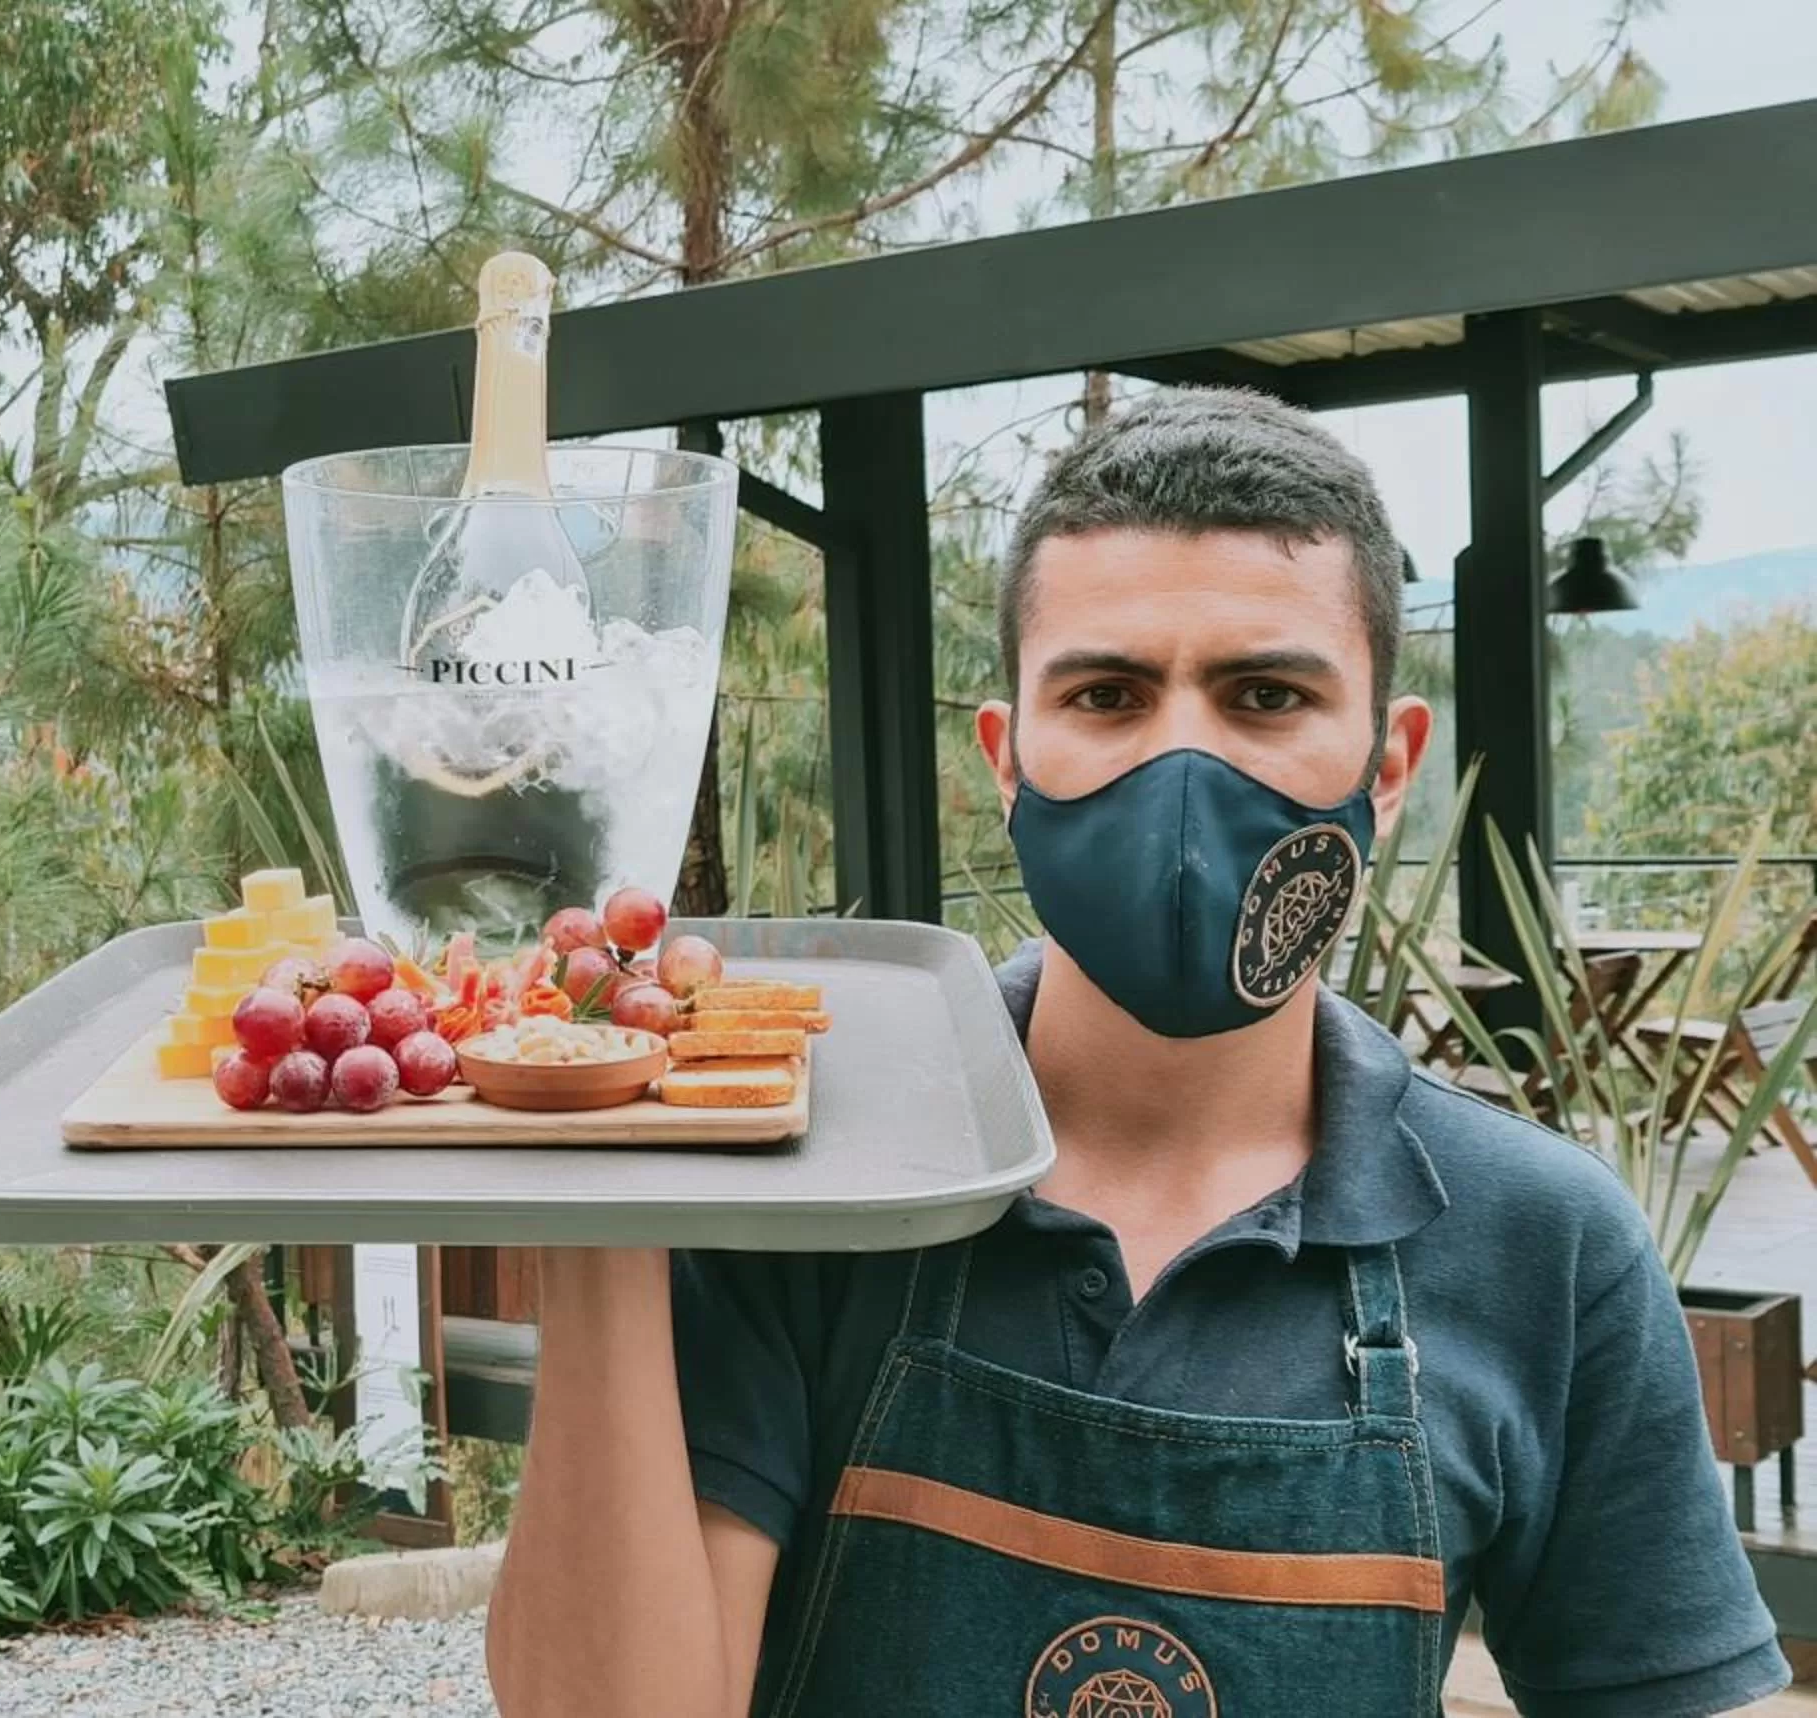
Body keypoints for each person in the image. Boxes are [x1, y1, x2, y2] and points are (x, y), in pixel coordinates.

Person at [483, 387, 1790, 1717]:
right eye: (1108, 694)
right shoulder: (817, 1174)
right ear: (1010, 759)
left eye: (1265, 693)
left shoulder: (1544, 1250)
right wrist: (603, 1186)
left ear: (1388, 767)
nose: (1181, 764)